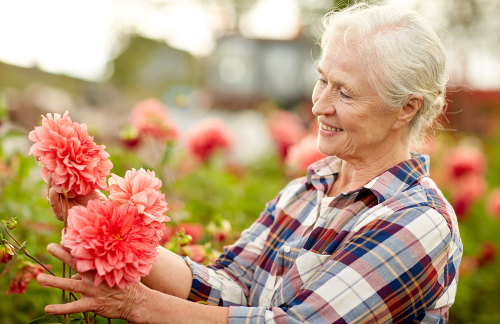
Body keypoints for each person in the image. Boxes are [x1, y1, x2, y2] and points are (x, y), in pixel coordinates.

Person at [37, 3, 462, 323]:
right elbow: (229, 288)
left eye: (345, 93)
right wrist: (106, 229)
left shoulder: (418, 221)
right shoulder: (304, 192)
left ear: (406, 108)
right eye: (321, 80)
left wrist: (137, 304)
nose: (319, 105)